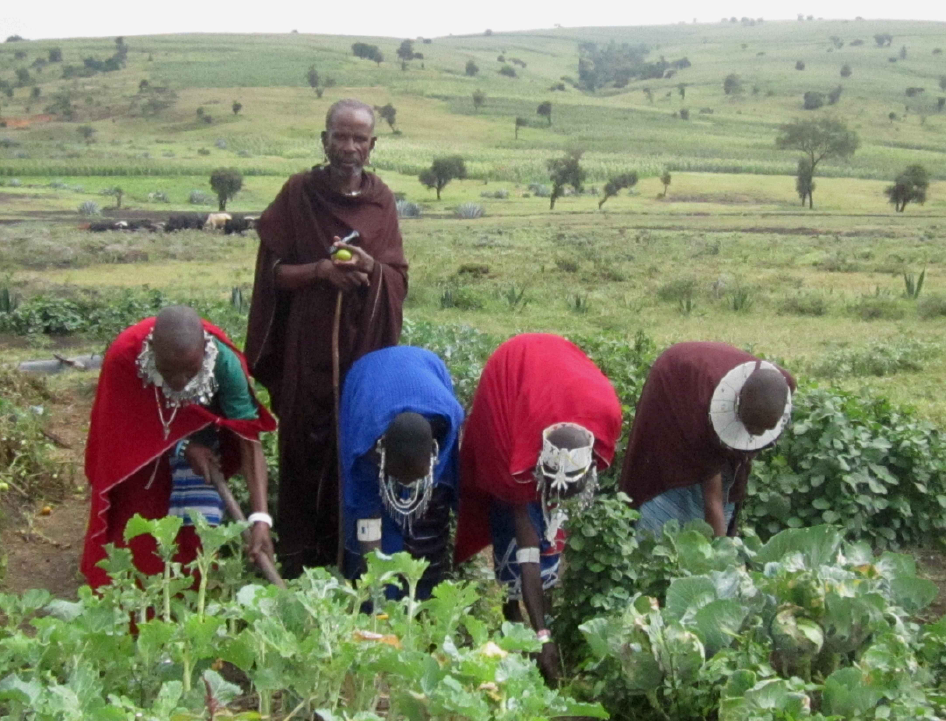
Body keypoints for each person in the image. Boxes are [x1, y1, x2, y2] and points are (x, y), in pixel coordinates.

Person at [245, 99, 408, 577]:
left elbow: (397, 276)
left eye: (359, 138)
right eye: (341, 136)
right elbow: (273, 276)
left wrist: (369, 269)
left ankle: (351, 557)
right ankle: (296, 555)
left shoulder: (383, 201)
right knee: (301, 446)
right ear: (324, 140)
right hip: (305, 349)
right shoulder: (298, 194)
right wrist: (320, 270)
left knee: (356, 445)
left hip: (362, 351)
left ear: (372, 146)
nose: (349, 147)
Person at [454, 333, 623, 683]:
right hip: (510, 379)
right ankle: (512, 608)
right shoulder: (517, 455)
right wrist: (542, 636)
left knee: (549, 522)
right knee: (513, 517)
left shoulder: (605, 417)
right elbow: (528, 548)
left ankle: (537, 608)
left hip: (554, 382)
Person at [81, 306, 277, 589]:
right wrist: (181, 447)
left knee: (196, 527)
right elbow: (118, 429)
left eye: (190, 370)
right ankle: (132, 598)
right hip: (138, 446)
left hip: (201, 429)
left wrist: (260, 519)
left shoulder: (224, 364)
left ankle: (187, 593)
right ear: (152, 351)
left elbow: (248, 439)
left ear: (205, 353)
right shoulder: (126, 356)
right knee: (136, 526)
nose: (180, 381)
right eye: (169, 370)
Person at [620, 341, 795, 538]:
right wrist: (720, 554)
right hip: (675, 381)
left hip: (708, 391)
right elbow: (712, 498)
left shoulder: (784, 384)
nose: (755, 435)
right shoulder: (699, 417)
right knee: (669, 480)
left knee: (727, 476)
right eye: (750, 428)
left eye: (764, 430)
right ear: (736, 406)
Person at [338, 346, 464, 599]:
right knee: (374, 540)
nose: (406, 486)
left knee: (429, 522)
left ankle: (423, 597)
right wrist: (376, 585)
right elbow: (367, 512)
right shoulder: (366, 443)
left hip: (426, 369)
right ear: (380, 456)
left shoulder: (447, 421)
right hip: (369, 382)